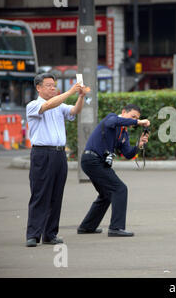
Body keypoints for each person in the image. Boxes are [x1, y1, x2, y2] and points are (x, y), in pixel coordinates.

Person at [26, 73, 86, 247]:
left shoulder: (60, 106)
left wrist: (80, 96)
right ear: (38, 88)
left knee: (56, 195)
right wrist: (71, 91)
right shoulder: (34, 105)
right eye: (49, 85)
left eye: (54, 85)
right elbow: (48, 105)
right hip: (42, 154)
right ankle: (33, 234)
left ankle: (50, 233)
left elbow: (74, 111)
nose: (53, 88)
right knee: (40, 194)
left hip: (59, 154)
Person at [77, 104, 150, 237]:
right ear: (123, 112)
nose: (134, 120)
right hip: (92, 160)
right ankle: (116, 228)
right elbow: (114, 121)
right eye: (133, 116)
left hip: (97, 163)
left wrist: (138, 145)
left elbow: (128, 154)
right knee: (120, 189)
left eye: (137, 118)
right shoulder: (112, 118)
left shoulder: (123, 132)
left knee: (106, 194)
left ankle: (87, 227)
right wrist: (139, 122)